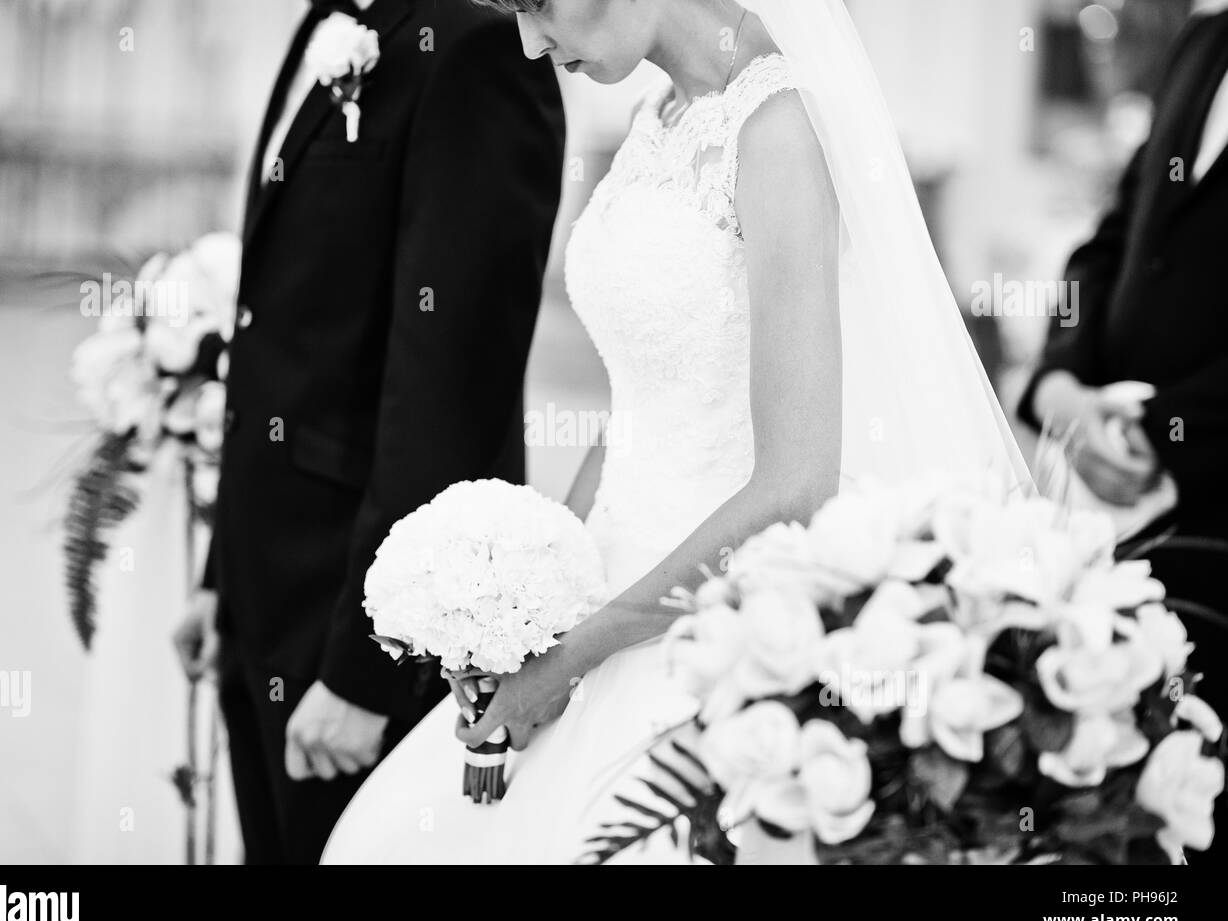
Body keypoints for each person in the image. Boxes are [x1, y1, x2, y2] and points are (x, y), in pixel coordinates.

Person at [322, 0, 1027, 865]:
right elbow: (638, 404)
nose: (529, 42)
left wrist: (575, 653)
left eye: (537, 6)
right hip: (603, 592)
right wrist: (534, 610)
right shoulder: (656, 116)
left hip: (708, 630)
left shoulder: (779, 128)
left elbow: (794, 488)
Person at [170, 0, 565, 864]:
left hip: (358, 612)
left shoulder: (482, 43)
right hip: (264, 587)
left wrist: (368, 671)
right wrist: (220, 578)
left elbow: (452, 382)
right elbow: (278, 321)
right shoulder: (332, 17)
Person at [1018, 3, 1228, 865]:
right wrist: (1061, 384)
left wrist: (1158, 433)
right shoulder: (1205, 40)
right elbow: (1114, 238)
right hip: (1125, 542)